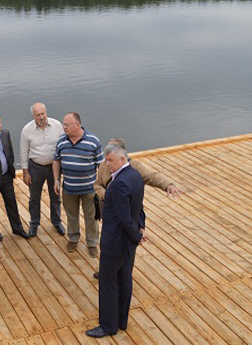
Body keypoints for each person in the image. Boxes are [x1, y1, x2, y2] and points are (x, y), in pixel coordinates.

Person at [91, 137, 187, 278]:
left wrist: (168, 185)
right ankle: (106, 270)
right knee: (108, 242)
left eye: (111, 154)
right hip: (110, 213)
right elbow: (97, 184)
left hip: (128, 213)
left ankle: (125, 274)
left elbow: (152, 176)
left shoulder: (134, 166)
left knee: (128, 242)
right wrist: (106, 195)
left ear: (122, 155)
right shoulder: (103, 166)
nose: (108, 158)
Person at [86, 143, 146, 338]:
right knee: (124, 279)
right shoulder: (135, 176)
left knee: (108, 282)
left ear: (122, 159)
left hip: (115, 242)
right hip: (127, 243)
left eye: (110, 160)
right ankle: (122, 321)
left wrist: (137, 235)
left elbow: (124, 216)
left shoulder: (119, 183)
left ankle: (108, 326)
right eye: (106, 159)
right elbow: (139, 207)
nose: (107, 164)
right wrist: (140, 228)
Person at [53, 112, 103, 257]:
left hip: (89, 189)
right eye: (63, 124)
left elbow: (101, 165)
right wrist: (57, 180)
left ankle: (92, 242)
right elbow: (56, 161)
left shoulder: (93, 141)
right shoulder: (61, 141)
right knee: (71, 215)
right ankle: (73, 238)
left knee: (91, 217)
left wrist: (102, 186)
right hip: (69, 188)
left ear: (78, 124)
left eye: (67, 124)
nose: (64, 127)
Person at [20, 103, 65, 237]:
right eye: (38, 115)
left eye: (43, 114)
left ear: (46, 112)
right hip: (36, 167)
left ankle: (57, 222)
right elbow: (23, 152)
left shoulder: (57, 125)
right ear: (33, 116)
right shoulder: (27, 130)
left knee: (55, 195)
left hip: (54, 167)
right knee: (34, 197)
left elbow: (63, 145)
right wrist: (25, 172)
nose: (41, 117)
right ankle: (34, 223)